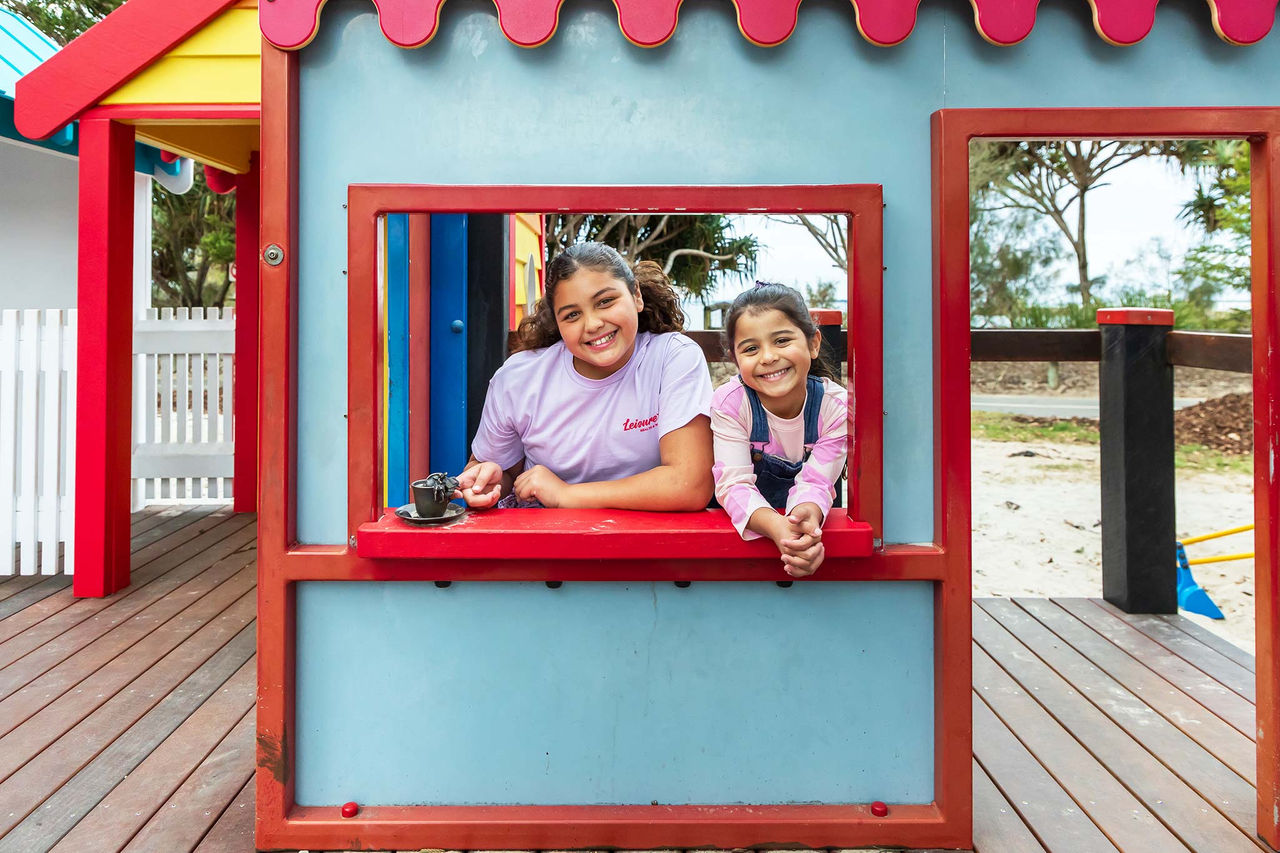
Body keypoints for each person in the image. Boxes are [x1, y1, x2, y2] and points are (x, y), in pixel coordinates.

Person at [455, 242, 713, 510]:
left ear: (636, 295)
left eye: (605, 302)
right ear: (556, 322)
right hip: (546, 539)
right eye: (572, 315)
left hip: (648, 541)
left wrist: (566, 495)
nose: (592, 324)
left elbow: (690, 484)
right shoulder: (518, 378)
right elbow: (497, 471)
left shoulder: (672, 357)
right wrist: (487, 483)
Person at [711, 282, 848, 577]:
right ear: (736, 360)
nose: (768, 357)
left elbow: (817, 483)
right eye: (750, 348)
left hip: (800, 529)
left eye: (782, 340)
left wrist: (803, 525)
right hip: (739, 539)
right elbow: (733, 484)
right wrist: (778, 528)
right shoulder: (731, 403)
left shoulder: (835, 408)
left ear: (813, 343)